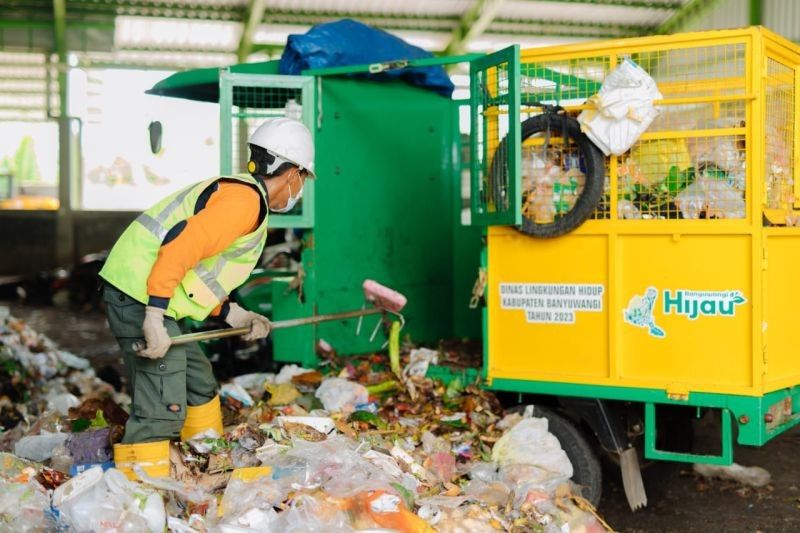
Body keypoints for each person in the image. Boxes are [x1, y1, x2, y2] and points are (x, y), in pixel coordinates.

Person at [99, 118, 314, 479]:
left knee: (197, 382)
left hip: (148, 294)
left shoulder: (245, 200)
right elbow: (180, 247)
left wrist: (234, 314)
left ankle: (205, 466)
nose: (301, 188)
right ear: (291, 172)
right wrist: (153, 316)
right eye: (304, 178)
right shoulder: (243, 202)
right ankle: (137, 499)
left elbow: (200, 271)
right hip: (139, 296)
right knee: (161, 403)